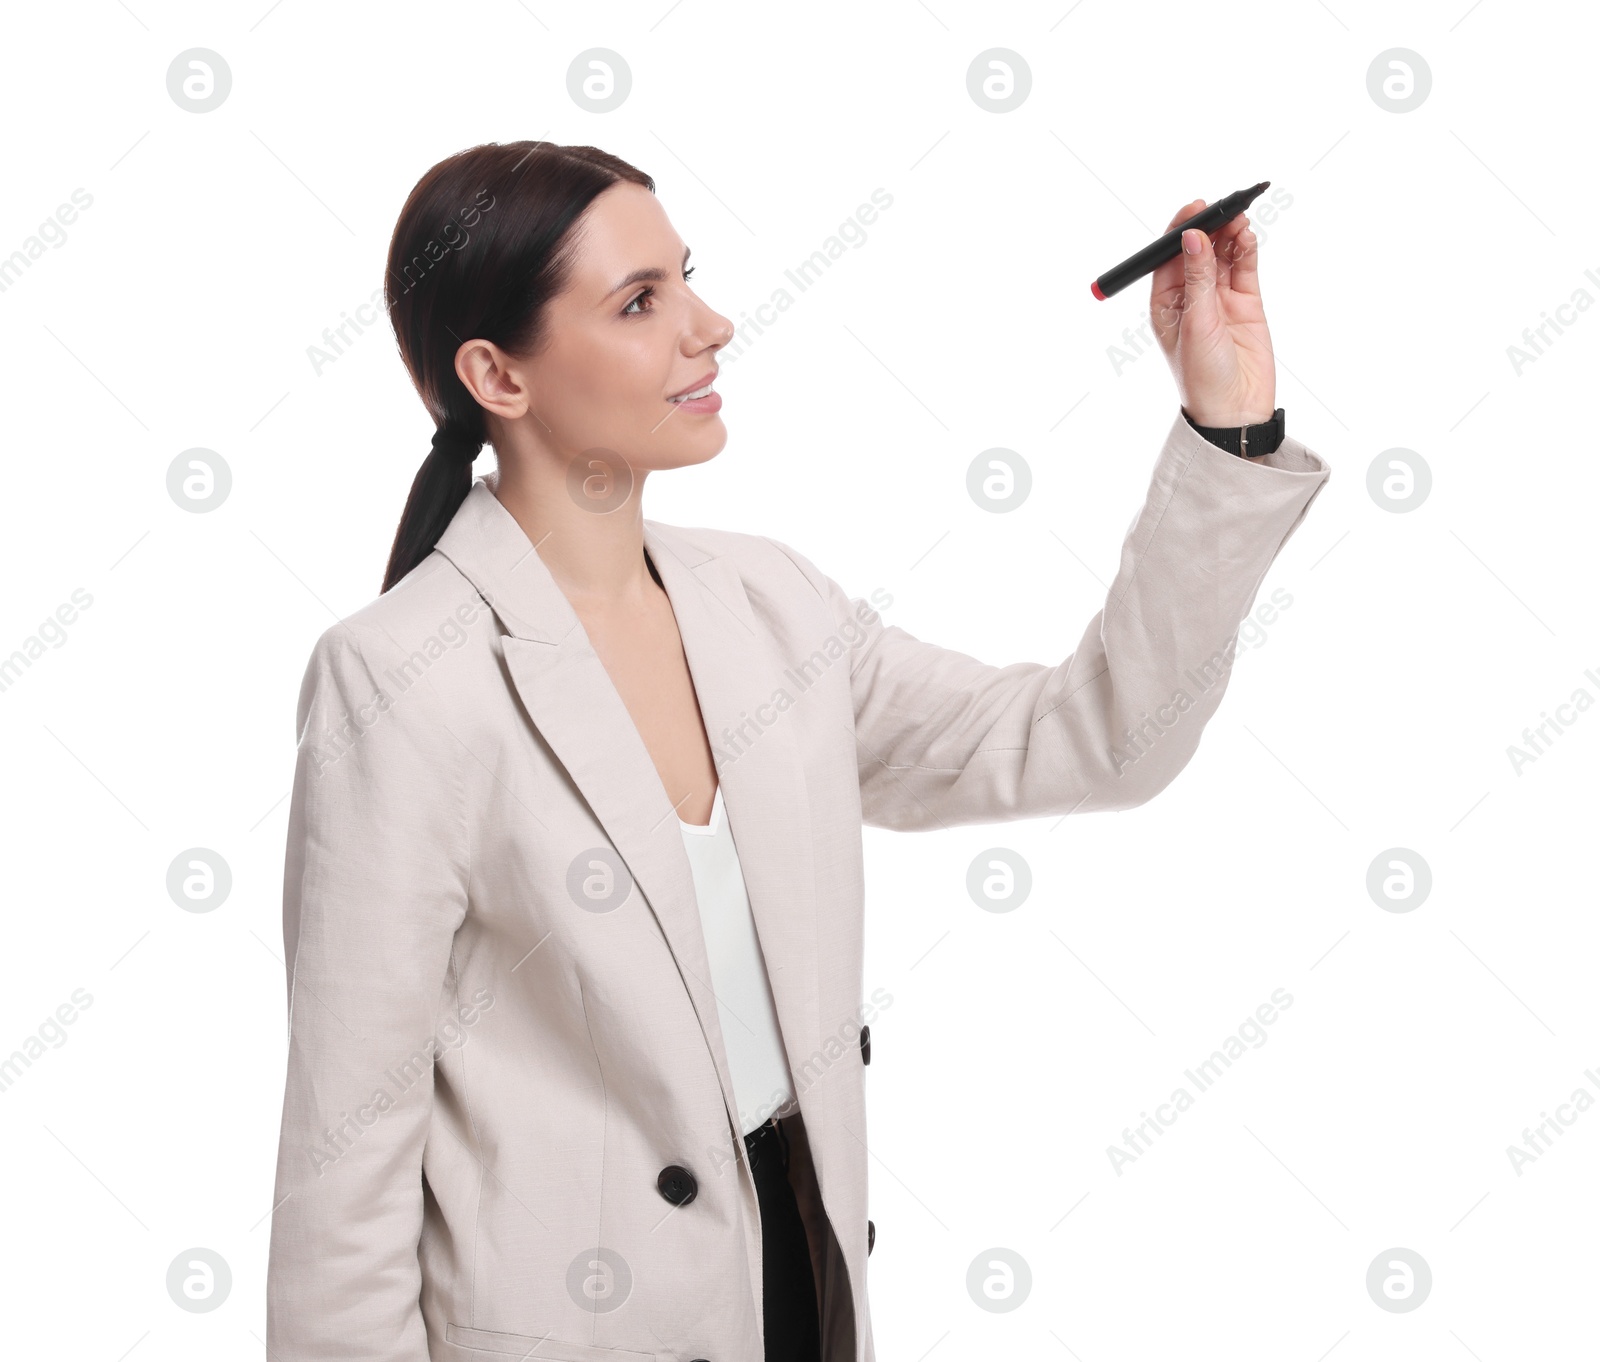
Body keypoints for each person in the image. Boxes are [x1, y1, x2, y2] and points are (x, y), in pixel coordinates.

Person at [265, 140, 1330, 1362]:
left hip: (797, 1287)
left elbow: (1094, 740)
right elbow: (345, 1173)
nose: (708, 326)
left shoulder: (769, 605)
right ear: (496, 373)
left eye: (686, 278)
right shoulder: (399, 678)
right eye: (638, 302)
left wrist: (1227, 426)